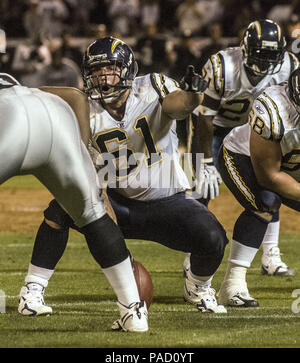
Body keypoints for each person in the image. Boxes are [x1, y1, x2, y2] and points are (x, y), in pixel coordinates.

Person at [19, 36, 229, 316]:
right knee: (60, 209)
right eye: (96, 70)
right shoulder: (84, 108)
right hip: (115, 201)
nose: (103, 76)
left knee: (213, 237)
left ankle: (198, 285)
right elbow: (34, 95)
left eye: (110, 68)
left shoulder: (152, 86)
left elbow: (179, 106)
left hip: (166, 202)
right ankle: (32, 289)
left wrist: (193, 94)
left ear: (128, 70)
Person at [0, 30, 148, 333]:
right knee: (91, 214)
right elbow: (74, 96)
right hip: (51, 113)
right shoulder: (16, 82)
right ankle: (133, 312)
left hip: (11, 118)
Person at [187, 20, 299, 306]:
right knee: (255, 201)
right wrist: (206, 162)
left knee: (269, 199)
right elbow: (204, 118)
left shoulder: (290, 66)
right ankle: (203, 267)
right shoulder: (226, 69)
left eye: (270, 55)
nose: (264, 61)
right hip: (230, 137)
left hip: (277, 140)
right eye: (258, 53)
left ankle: (270, 255)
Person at [216, 67, 300, 307]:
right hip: (244, 158)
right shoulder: (274, 109)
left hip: (291, 164)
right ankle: (233, 284)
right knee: (266, 202)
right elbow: (269, 177)